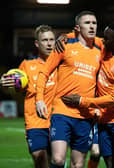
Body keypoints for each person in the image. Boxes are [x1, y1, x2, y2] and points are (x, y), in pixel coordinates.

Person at [61, 22, 114, 168]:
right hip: (103, 119)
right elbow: (85, 37)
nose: (103, 40)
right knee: (110, 163)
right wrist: (66, 36)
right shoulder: (105, 49)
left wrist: (82, 101)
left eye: (107, 38)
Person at [35, 11, 104, 168]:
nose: (92, 26)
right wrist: (39, 99)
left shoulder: (100, 52)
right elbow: (44, 72)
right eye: (87, 23)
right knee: (58, 159)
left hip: (85, 115)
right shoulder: (64, 46)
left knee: (77, 164)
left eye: (94, 23)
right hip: (62, 112)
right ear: (78, 28)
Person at [0, 25, 57, 168]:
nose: (49, 43)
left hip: (58, 121)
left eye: (51, 40)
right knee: (40, 158)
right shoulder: (26, 66)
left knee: (55, 161)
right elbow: (14, 89)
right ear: (37, 44)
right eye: (45, 40)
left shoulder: (63, 65)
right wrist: (5, 83)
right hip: (35, 122)